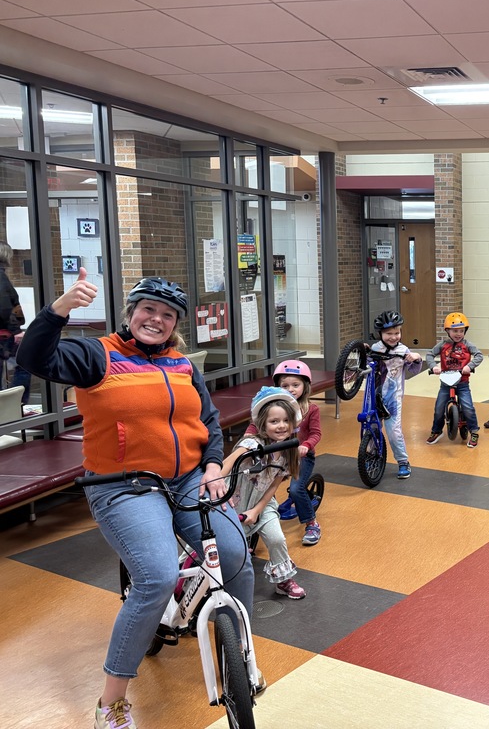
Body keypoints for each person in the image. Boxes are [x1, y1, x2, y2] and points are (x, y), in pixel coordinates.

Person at [17, 269, 252, 729]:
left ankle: (239, 657)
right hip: (123, 484)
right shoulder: (96, 356)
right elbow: (33, 356)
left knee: (237, 552)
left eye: (167, 315)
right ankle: (112, 701)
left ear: (175, 324)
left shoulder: (182, 364)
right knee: (158, 575)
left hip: (186, 478)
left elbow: (208, 419)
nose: (156, 319)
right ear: (131, 313)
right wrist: (59, 310)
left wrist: (211, 465)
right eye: (148, 309)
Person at [229, 386, 306, 600]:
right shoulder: (252, 445)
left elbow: (274, 485)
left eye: (285, 421)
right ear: (263, 424)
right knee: (221, 548)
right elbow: (226, 466)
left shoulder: (289, 449)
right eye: (274, 421)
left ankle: (283, 581)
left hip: (262, 504)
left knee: (276, 539)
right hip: (233, 503)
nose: (281, 426)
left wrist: (257, 510)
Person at [244, 359, 323, 545]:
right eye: (285, 385)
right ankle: (253, 531)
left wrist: (307, 445)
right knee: (260, 489)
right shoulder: (273, 408)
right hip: (275, 455)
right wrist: (248, 439)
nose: (290, 389)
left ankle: (311, 523)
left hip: (300, 456)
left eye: (295, 385)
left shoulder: (311, 409)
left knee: (296, 489)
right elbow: (255, 425)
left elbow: (316, 433)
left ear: (305, 386)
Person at [370, 310, 423, 478]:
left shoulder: (402, 349)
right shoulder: (375, 348)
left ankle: (402, 461)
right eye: (388, 333)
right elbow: (366, 366)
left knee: (393, 430)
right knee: (370, 429)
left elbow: (413, 369)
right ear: (380, 334)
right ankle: (371, 456)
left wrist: (415, 358)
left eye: (396, 333)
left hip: (393, 397)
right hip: (374, 395)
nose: (393, 337)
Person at [426, 312, 483, 448]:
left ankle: (474, 431)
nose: (458, 334)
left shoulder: (467, 345)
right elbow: (429, 354)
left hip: (462, 383)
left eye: (461, 331)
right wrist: (434, 367)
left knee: (468, 407)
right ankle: (436, 430)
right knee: (439, 408)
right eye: (455, 331)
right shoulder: (442, 345)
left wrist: (469, 366)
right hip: (446, 383)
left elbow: (479, 355)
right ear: (447, 331)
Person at [0, 238, 32, 403]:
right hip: (5, 335)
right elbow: (5, 306)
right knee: (25, 363)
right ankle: (15, 404)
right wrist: (16, 330)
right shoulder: (1, 278)